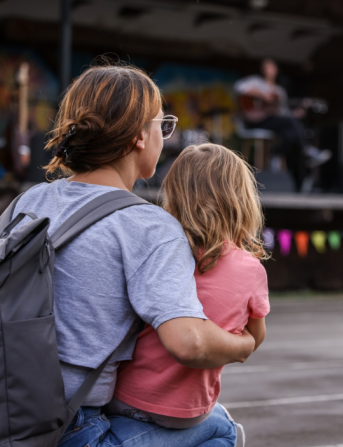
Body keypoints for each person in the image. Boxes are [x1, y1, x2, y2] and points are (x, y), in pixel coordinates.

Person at [9, 63, 257, 447]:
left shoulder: (31, 200)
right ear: (141, 136)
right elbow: (188, 342)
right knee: (220, 427)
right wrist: (244, 346)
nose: (164, 135)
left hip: (4, 409)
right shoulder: (148, 226)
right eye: (162, 124)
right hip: (72, 429)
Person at [109, 143, 270, 445]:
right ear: (242, 199)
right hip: (188, 410)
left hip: (125, 399)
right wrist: (243, 342)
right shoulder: (251, 270)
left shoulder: (158, 253)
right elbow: (256, 337)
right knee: (225, 428)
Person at [234, 58, 330, 190]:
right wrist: (262, 95)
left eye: (271, 67)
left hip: (273, 122)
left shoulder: (279, 91)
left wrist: (297, 113)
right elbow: (239, 87)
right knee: (291, 126)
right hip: (255, 120)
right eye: (266, 67)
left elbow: (283, 113)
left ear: (276, 70)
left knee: (290, 132)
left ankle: (276, 155)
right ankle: (306, 150)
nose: (269, 70)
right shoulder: (255, 82)